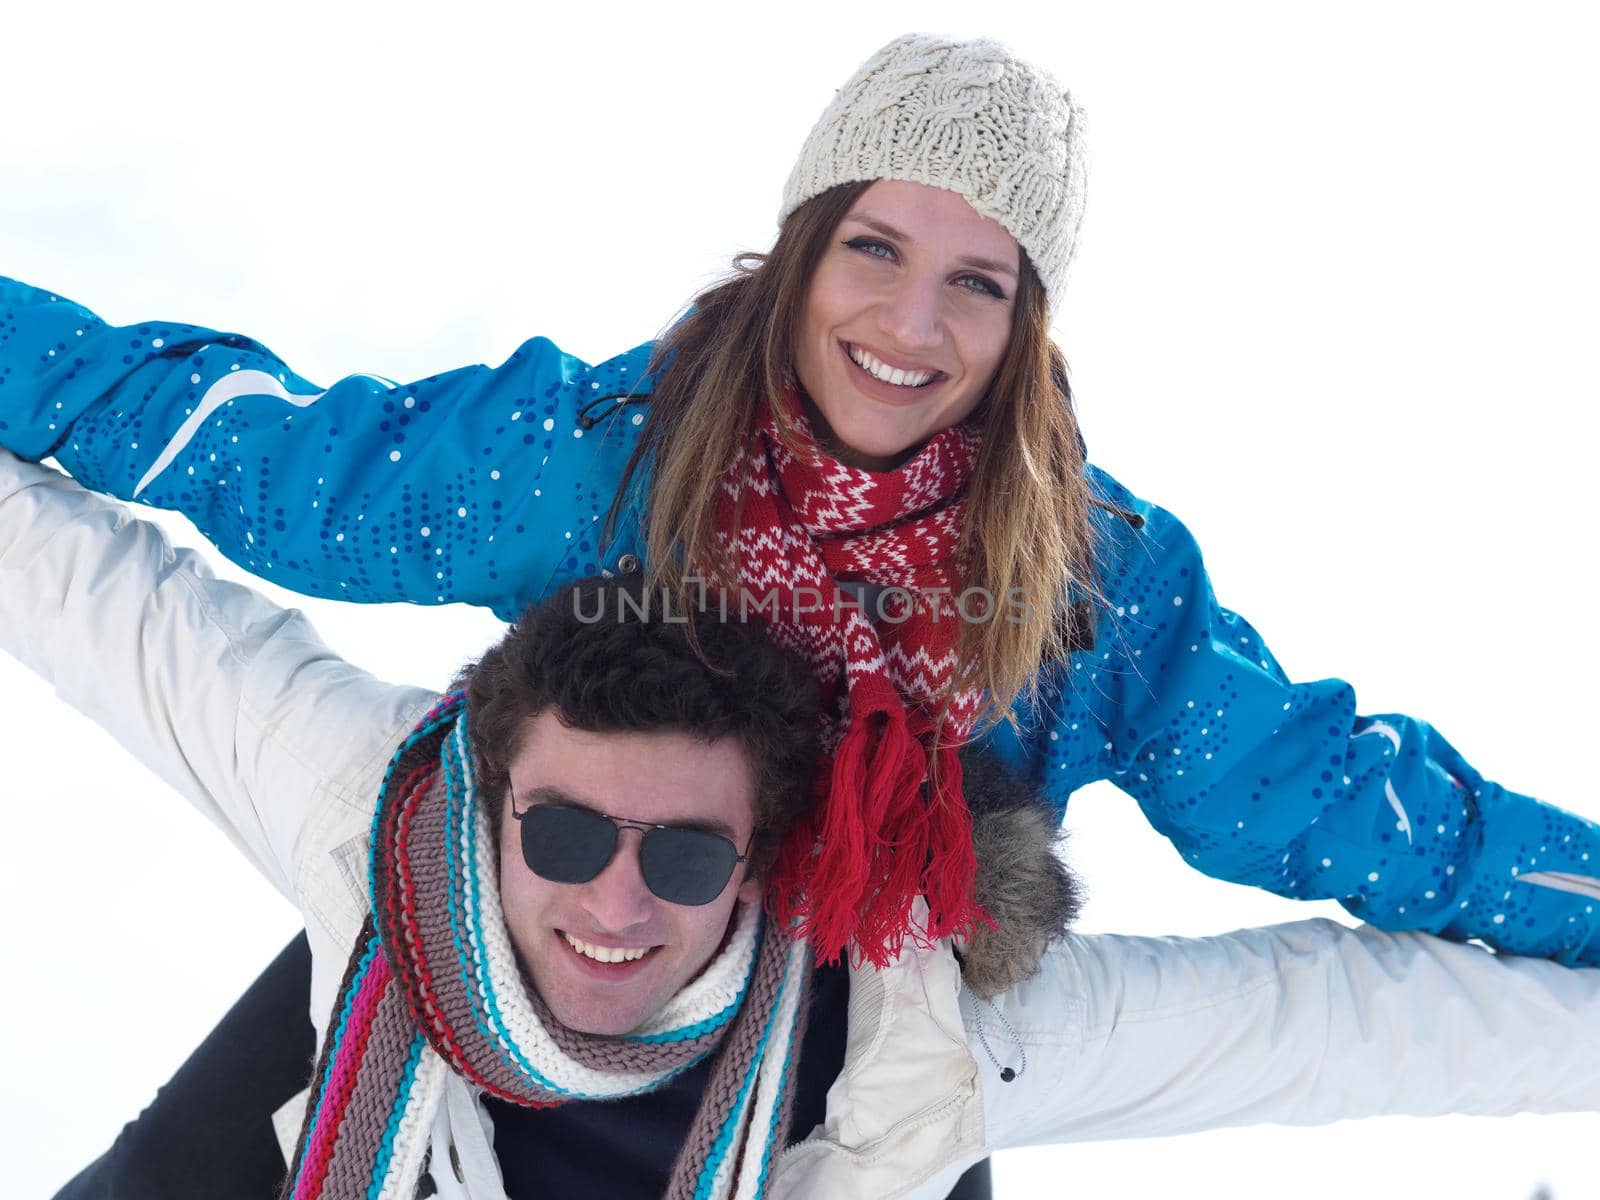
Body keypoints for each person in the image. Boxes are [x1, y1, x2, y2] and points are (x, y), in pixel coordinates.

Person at [2, 27, 1598, 1191]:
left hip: (860, 1032)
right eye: (875, 245)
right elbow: (251, 449)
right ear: (800, 246)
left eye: (978, 281)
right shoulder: (601, 461)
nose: (912, 323)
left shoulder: (1081, 585)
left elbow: (1343, 801)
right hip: (537, 942)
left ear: (1029, 321)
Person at [4, 447, 1600, 1200]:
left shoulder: (905, 1021)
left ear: (759, 861)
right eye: (564, 840)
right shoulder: (369, 797)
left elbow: (1332, 1027)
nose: (613, 903)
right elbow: (102, 599)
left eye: (683, 856)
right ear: (497, 804)